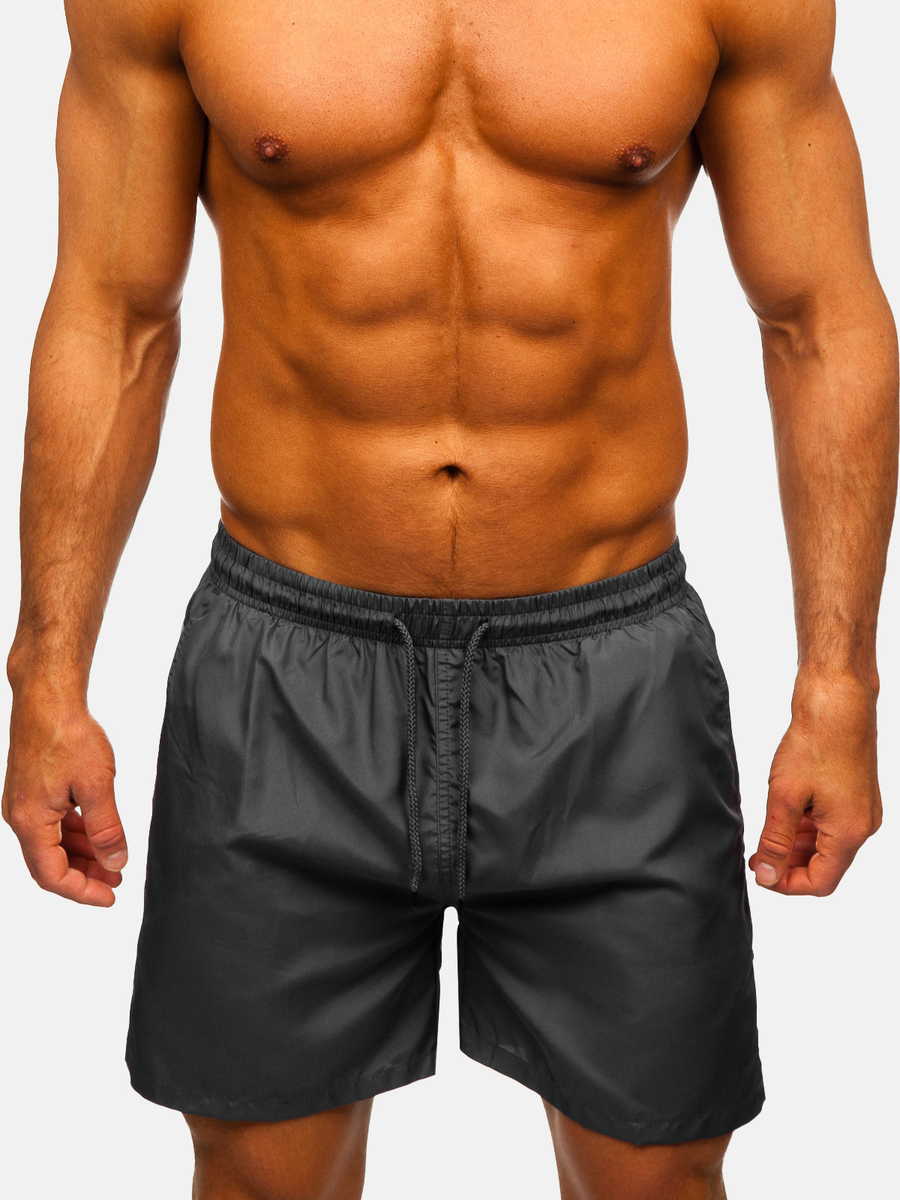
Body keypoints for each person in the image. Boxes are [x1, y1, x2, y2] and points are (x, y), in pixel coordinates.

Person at [3, 0, 896, 1197]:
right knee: (260, 1179)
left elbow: (818, 317)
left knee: (661, 1175)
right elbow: (112, 313)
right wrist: (47, 674)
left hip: (611, 670)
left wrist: (840, 683)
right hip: (287, 665)